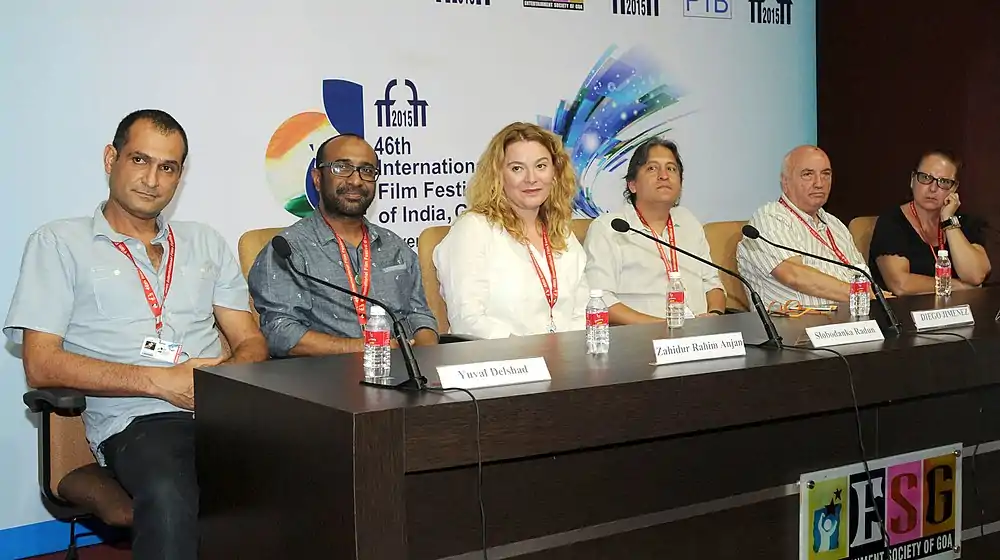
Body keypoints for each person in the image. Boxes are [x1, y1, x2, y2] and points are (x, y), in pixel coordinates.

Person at [3, 109, 269, 560]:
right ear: (111, 159)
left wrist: (217, 384)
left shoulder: (204, 241)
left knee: (320, 464)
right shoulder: (58, 243)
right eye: (140, 160)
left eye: (167, 168)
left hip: (224, 411)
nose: (152, 179)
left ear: (179, 177)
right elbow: (41, 363)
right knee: (171, 489)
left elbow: (251, 340)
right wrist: (157, 381)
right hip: (138, 421)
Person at [249, 133, 439, 356]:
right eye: (342, 168)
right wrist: (367, 348)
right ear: (317, 178)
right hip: (324, 381)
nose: (356, 181)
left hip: (402, 374)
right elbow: (280, 332)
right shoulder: (288, 250)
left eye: (367, 171)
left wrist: (427, 361)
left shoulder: (395, 246)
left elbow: (420, 315)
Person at [432, 122, 590, 338]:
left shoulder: (562, 232)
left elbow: (583, 312)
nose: (531, 178)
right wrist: (532, 353)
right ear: (499, 176)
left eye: (541, 166)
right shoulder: (474, 229)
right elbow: (467, 320)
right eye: (517, 168)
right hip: (502, 363)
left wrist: (566, 352)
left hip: (566, 361)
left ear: (555, 173)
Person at [584, 138, 726, 323]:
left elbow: (712, 284)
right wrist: (665, 328)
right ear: (632, 184)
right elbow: (601, 299)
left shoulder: (688, 221)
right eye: (652, 168)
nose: (664, 175)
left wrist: (714, 315)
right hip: (642, 341)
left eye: (671, 168)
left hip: (700, 339)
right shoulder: (609, 228)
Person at [737, 145, 873, 308]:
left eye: (826, 174)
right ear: (785, 182)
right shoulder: (770, 218)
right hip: (794, 328)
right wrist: (860, 294)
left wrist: (875, 297)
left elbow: (861, 275)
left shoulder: (835, 224)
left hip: (849, 321)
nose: (819, 183)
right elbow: (794, 275)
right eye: (808, 174)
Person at [868, 150, 991, 295]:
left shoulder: (965, 222)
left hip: (959, 312)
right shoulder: (892, 222)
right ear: (912, 180)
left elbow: (976, 276)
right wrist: (958, 286)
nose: (933, 188)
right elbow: (900, 284)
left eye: (944, 182)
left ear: (954, 188)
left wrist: (948, 221)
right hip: (906, 313)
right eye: (926, 178)